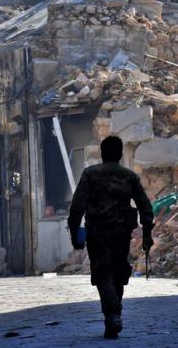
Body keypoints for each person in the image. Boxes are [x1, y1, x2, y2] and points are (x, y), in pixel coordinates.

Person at [68, 135, 154, 339]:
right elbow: (145, 206)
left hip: (97, 232)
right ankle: (115, 314)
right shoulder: (129, 176)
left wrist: (74, 233)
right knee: (117, 272)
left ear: (102, 153)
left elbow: (77, 206)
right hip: (121, 233)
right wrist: (147, 233)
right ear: (120, 154)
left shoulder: (90, 174)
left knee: (102, 272)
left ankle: (113, 313)